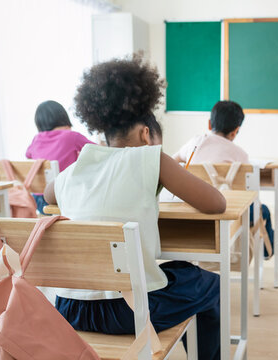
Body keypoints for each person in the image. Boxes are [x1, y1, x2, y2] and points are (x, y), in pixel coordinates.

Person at [44, 54, 225, 360]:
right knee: (211, 284)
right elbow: (216, 203)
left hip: (68, 309)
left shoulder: (77, 166)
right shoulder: (152, 158)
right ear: (146, 134)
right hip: (124, 312)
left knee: (175, 273)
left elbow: (49, 195)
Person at [174, 100, 275, 257]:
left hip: (194, 211)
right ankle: (268, 250)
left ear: (209, 124)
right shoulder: (239, 154)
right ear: (235, 131)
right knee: (264, 211)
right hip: (229, 214)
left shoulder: (194, 143)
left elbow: (173, 162)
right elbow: (248, 192)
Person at [26, 100, 93, 213]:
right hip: (62, 198)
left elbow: (28, 155)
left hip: (38, 200)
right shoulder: (72, 136)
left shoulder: (36, 139)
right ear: (63, 117)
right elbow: (98, 150)